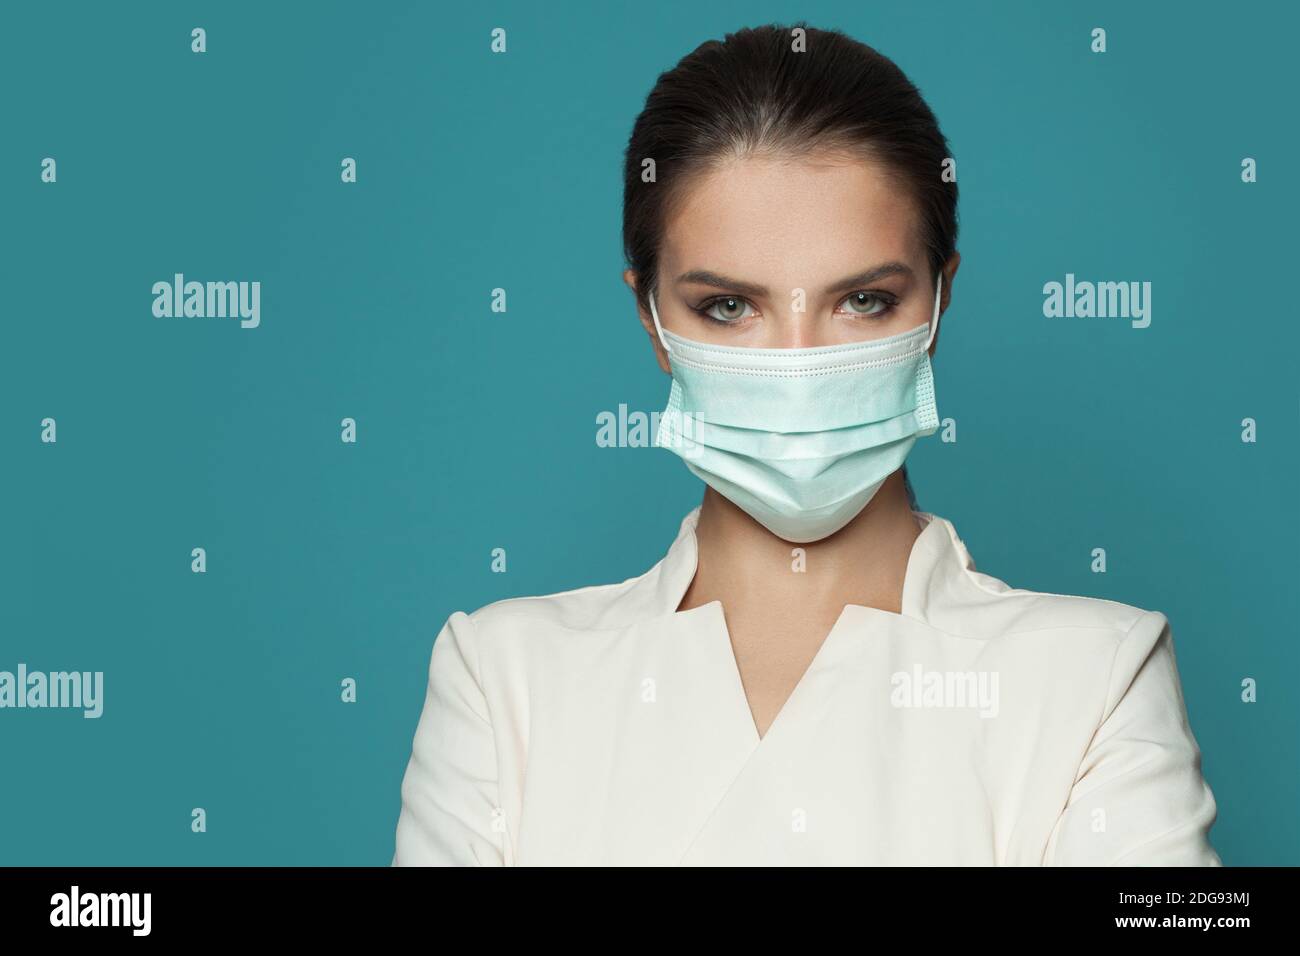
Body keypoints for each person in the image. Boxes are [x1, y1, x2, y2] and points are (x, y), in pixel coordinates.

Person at [392, 23, 1220, 866]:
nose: (797, 364)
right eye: (727, 307)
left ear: (937, 305)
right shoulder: (503, 681)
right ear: (651, 319)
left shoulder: (1098, 677)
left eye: (862, 300)